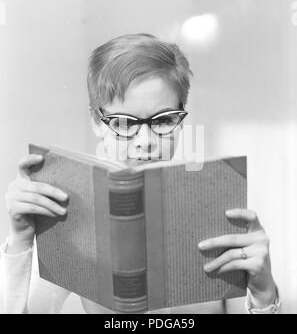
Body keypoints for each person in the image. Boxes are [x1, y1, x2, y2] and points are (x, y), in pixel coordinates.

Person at [0, 34, 280, 314]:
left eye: (164, 120)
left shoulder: (214, 196)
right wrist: (21, 241)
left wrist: (264, 293)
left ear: (181, 118)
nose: (145, 141)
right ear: (96, 122)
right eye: (123, 123)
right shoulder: (68, 202)